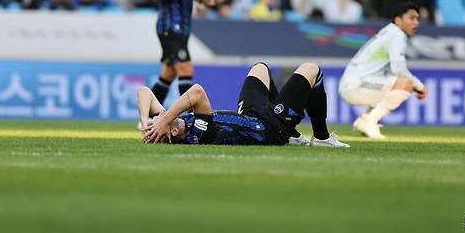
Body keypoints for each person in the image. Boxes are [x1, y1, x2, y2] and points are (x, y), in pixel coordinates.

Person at [138, 62, 349, 148]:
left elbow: (144, 92)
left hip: (252, 116)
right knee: (312, 69)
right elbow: (197, 92)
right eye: (157, 120)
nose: (157, 117)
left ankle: (294, 135)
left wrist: (147, 123)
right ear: (172, 131)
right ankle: (322, 137)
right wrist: (164, 119)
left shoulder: (176, 123)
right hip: (269, 128)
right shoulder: (196, 133)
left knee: (259, 68)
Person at [339, 2, 426, 139]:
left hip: (354, 83)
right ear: (398, 20)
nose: (416, 23)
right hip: (355, 85)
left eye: (417, 19)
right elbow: (399, 69)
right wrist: (419, 86)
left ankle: (367, 121)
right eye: (411, 18)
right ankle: (369, 121)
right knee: (406, 84)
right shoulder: (397, 34)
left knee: (394, 85)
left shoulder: (389, 32)